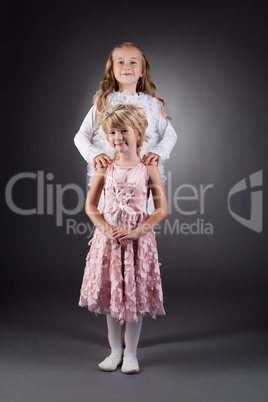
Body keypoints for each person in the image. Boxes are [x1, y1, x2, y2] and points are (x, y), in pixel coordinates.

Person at [78, 104, 168, 374]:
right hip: (108, 241)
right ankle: (115, 351)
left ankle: (131, 354)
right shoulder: (104, 168)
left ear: (139, 133)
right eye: (113, 132)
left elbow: (162, 209)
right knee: (111, 292)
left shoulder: (148, 168)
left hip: (138, 243)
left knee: (134, 296)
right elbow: (91, 206)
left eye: (124, 130)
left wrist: (136, 231)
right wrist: (106, 229)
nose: (118, 137)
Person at [74, 41, 177, 215]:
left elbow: (170, 135)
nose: (126, 66)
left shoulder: (152, 105)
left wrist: (158, 152)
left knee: (140, 226)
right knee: (110, 225)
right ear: (112, 70)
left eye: (133, 62)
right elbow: (80, 136)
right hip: (111, 179)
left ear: (142, 71)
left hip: (141, 179)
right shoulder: (103, 104)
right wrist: (94, 154)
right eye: (120, 62)